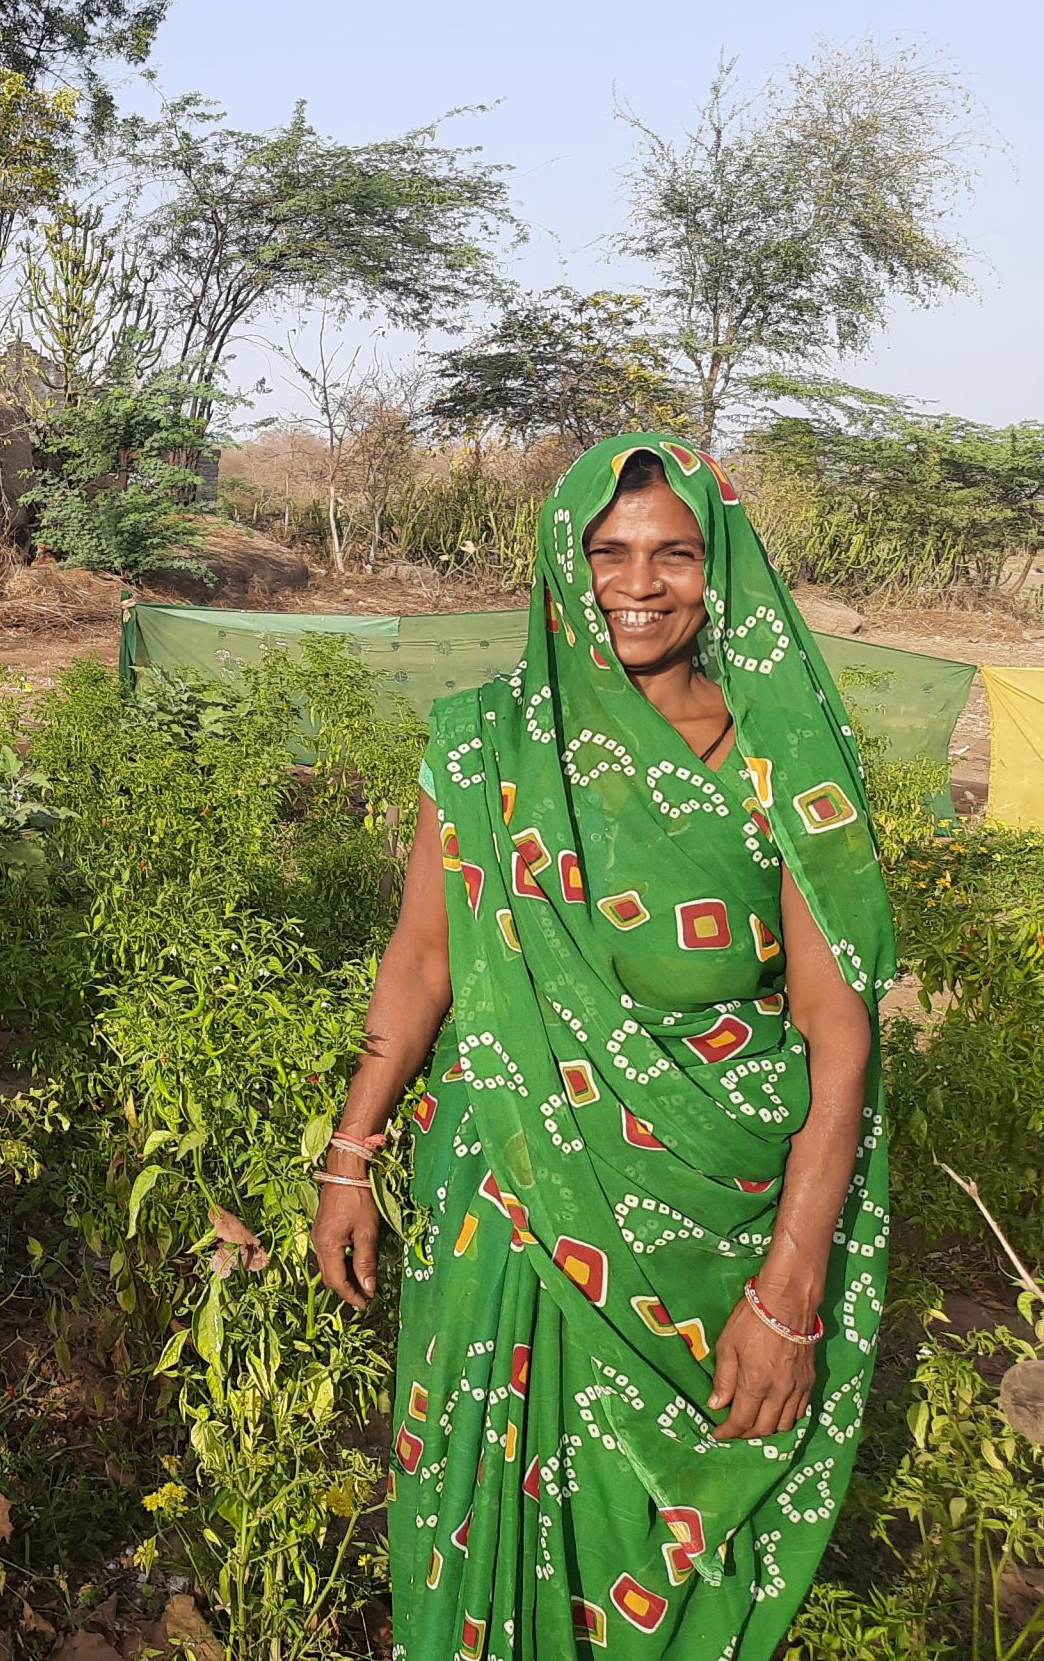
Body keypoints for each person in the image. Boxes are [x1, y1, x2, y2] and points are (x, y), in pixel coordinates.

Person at [311, 437, 895, 1657]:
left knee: (670, 1540)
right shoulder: (485, 744)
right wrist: (349, 1152)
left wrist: (789, 1297)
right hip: (510, 1188)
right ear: (561, 565)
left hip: (704, 1213)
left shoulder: (779, 757)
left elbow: (837, 1036)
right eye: (607, 551)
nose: (639, 581)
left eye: (673, 553)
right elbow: (422, 962)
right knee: (487, 1490)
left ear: (716, 568)